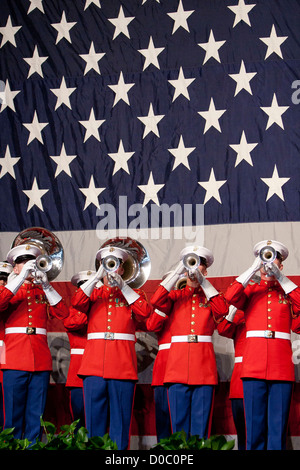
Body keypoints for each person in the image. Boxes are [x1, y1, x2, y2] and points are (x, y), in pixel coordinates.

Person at [71, 245, 152, 450]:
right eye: (107, 264)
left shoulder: (134, 294)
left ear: (122, 269)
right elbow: (76, 302)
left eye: (115, 265)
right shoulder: (92, 293)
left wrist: (124, 287)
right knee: (94, 426)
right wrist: (98, 275)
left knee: (120, 425)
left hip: (122, 367)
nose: (111, 269)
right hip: (93, 367)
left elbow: (144, 314)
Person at [225, 239, 300, 450]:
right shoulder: (250, 291)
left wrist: (281, 278)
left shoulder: (288, 291)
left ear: (281, 264)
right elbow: (230, 296)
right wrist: (253, 268)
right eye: (265, 256)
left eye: (274, 257)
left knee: (277, 431)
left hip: (281, 368)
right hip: (253, 367)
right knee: (254, 431)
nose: (269, 261)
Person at [151, 245, 228, 439]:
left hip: (203, 369)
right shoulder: (175, 296)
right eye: (192, 262)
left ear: (206, 270)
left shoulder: (211, 296)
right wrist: (179, 270)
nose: (195, 267)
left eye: (199, 263)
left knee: (201, 430)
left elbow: (222, 311)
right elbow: (156, 300)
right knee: (178, 428)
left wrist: (204, 283)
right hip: (176, 369)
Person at [0, 243, 69, 442]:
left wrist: (46, 285)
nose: (29, 264)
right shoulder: (10, 291)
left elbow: (64, 314)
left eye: (32, 260)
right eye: (22, 261)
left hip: (39, 361)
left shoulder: (42, 292)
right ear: (14, 268)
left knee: (36, 417)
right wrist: (21, 278)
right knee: (12, 418)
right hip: (14, 360)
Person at [63, 270, 96, 429]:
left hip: (98, 371)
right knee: (78, 421)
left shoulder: (102, 311)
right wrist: (86, 305)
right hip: (78, 376)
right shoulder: (73, 313)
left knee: (98, 420)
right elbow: (75, 323)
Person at [217, 305, 246, 450]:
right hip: (240, 385)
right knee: (243, 435)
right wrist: (234, 307)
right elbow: (223, 329)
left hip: (266, 379)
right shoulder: (240, 317)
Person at [0, 261, 13, 427]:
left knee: (6, 399)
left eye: (5, 279)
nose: (2, 283)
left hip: (8, 352)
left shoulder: (12, 297)